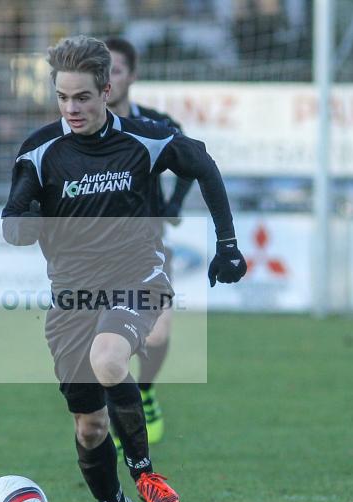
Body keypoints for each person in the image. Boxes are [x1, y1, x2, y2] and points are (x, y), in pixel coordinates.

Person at [1, 35, 246, 502]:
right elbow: (13, 222)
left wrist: (227, 243)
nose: (72, 109)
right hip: (70, 299)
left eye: (83, 97)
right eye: (63, 98)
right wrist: (24, 225)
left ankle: (146, 475)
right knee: (89, 428)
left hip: (138, 276)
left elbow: (201, 161)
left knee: (109, 357)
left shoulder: (142, 139)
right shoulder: (41, 151)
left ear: (107, 90)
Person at [104, 36, 194, 446]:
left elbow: (194, 162)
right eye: (101, 71)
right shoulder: (85, 126)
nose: (108, 79)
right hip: (96, 253)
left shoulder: (155, 125)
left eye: (116, 70)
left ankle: (146, 389)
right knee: (106, 344)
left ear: (133, 76)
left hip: (148, 248)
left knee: (156, 337)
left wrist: (174, 202)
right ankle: (119, 411)